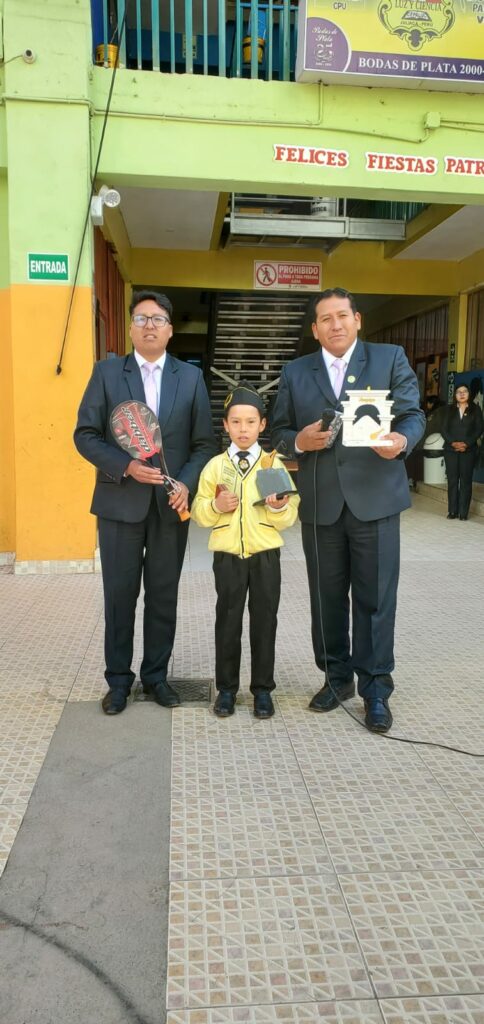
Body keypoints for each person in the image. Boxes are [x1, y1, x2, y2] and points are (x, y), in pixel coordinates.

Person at [271, 287, 425, 733]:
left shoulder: (389, 358)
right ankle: (336, 679)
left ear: (357, 320)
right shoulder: (296, 371)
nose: (335, 324)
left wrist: (401, 440)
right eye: (326, 318)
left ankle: (375, 688)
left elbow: (413, 415)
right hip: (321, 504)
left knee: (376, 598)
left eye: (342, 315)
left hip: (375, 501)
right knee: (327, 598)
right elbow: (278, 431)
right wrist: (300, 441)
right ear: (315, 328)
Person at [74, 290, 216, 715]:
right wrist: (127, 466)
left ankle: (156, 677)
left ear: (170, 330)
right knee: (120, 596)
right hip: (119, 504)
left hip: (169, 507)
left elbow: (204, 443)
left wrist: (186, 483)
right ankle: (119, 681)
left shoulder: (189, 378)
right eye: (141, 318)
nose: (149, 325)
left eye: (157, 319)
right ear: (131, 327)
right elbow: (85, 435)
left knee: (162, 595)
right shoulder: (106, 373)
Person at [191, 383, 299, 719]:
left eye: (250, 422)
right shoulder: (215, 467)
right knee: (228, 621)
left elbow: (289, 517)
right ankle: (226, 689)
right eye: (235, 422)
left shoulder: (271, 465)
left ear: (262, 425)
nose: (243, 429)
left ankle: (262, 690)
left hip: (265, 556)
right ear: (225, 425)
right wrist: (215, 505)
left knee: (265, 622)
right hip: (227, 558)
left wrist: (279, 507)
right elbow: (198, 512)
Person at [441, 384, 483, 520]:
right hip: (450, 450)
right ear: (455, 395)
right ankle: (452, 511)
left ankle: (463, 513)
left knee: (466, 481)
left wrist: (467, 443)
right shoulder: (449, 409)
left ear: (469, 394)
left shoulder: (475, 409)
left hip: (468, 450)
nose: (462, 394)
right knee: (452, 480)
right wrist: (453, 443)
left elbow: (479, 428)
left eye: (465, 391)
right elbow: (443, 429)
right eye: (459, 392)